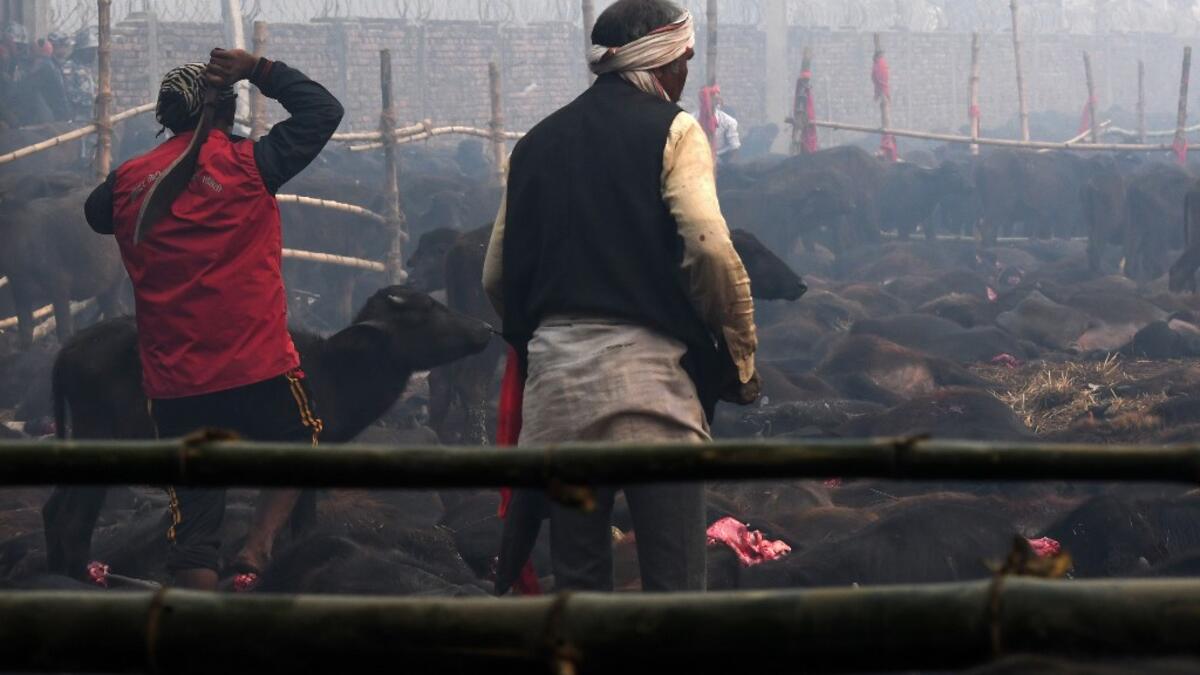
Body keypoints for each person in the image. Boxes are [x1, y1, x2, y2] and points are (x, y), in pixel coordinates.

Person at [483, 0, 759, 592]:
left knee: (580, 585)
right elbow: (710, 248)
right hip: (652, 395)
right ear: (663, 65)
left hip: (557, 399)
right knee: (677, 585)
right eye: (683, 60)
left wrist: (546, 348)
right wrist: (739, 358)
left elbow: (497, 277)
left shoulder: (535, 143)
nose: (685, 73)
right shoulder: (676, 129)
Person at [83, 48, 344, 590]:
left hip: (176, 382)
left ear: (165, 118)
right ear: (226, 113)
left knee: (196, 520)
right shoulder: (252, 164)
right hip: (260, 366)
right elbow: (323, 110)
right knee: (300, 443)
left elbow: (95, 213)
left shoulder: (126, 186)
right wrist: (259, 69)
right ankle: (255, 551)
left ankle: (202, 636)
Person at [61, 27, 97, 122]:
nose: (93, 53)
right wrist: (88, 98)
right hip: (76, 115)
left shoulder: (86, 67)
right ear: (80, 51)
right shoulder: (69, 66)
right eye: (89, 50)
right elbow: (68, 92)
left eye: (94, 50)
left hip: (89, 113)